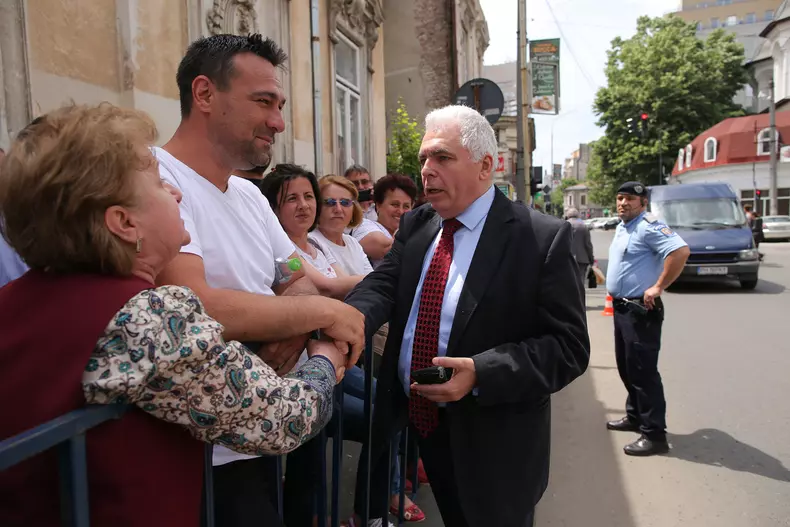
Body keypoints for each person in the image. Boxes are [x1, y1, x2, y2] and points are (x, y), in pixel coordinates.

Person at [0, 104, 347, 526]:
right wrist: (326, 356)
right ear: (124, 222)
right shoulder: (148, 314)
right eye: (158, 183)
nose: (177, 192)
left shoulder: (12, 300)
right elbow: (283, 417)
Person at [153, 34, 364, 527]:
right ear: (204, 95)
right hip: (192, 455)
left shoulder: (249, 197)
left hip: (255, 432)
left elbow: (293, 278)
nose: (279, 122)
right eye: (263, 102)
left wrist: (293, 324)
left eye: (281, 104)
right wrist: (322, 314)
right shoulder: (155, 179)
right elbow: (195, 303)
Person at [344, 105, 590, 527]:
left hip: (492, 444)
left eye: (442, 157)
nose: (427, 170)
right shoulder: (419, 222)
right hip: (414, 424)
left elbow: (568, 347)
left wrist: (481, 372)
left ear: (486, 167)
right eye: (424, 158)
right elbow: (383, 285)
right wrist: (343, 322)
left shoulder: (540, 239)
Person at [605, 181, 690, 456]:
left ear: (643, 202)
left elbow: (679, 251)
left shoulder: (649, 225)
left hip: (641, 310)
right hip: (622, 309)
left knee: (644, 373)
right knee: (627, 367)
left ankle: (654, 435)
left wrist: (658, 286)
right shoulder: (623, 226)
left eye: (629, 199)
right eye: (619, 198)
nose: (623, 203)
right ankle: (635, 415)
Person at [311, 175, 375, 276]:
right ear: (317, 207)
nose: (338, 209)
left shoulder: (353, 243)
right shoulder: (311, 241)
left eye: (345, 202)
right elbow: (334, 285)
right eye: (330, 202)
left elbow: (372, 281)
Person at [350, 173, 417, 268]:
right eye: (395, 204)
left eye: (406, 206)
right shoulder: (364, 225)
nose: (401, 211)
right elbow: (385, 248)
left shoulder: (412, 233)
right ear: (378, 205)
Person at [566, 207, 595, 291]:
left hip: (567, 259)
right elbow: (588, 245)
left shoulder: (563, 225)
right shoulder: (583, 226)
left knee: (567, 281)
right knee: (580, 281)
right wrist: (591, 259)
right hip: (582, 259)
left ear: (568, 215)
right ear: (578, 215)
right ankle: (580, 301)